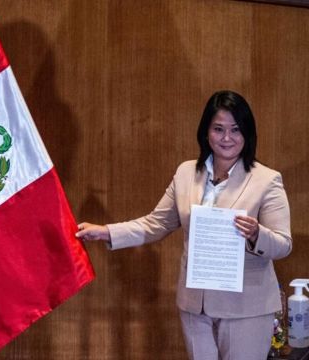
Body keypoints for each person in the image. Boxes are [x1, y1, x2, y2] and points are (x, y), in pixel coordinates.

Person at [76, 90, 292, 360]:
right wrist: (107, 232)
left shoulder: (267, 180)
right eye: (218, 129)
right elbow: (157, 223)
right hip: (194, 304)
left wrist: (257, 234)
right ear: (206, 132)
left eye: (236, 130)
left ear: (247, 133)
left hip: (246, 306)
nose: (227, 138)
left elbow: (283, 244)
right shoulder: (186, 172)